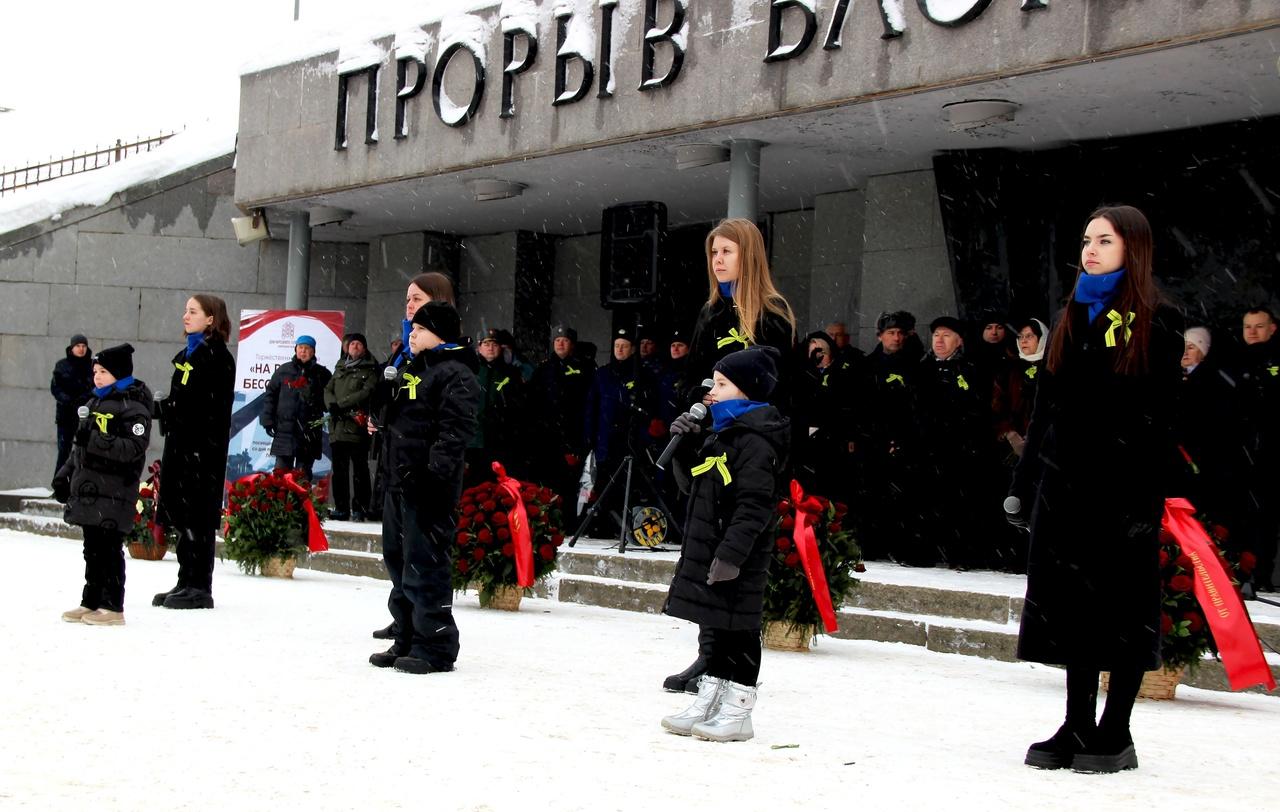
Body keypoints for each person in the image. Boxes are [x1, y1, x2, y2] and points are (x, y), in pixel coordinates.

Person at [1008, 205, 1183, 773]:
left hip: (1123, 489)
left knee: (1122, 609)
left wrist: (1148, 499)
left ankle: (1116, 730)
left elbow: (1163, 418)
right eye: (1086, 240)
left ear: (1131, 247)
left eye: (1103, 241)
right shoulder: (1072, 315)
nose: (1090, 250)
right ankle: (1077, 720)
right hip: (1066, 487)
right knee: (1070, 608)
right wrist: (1024, 479)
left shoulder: (1157, 317)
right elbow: (1046, 406)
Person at [666, 216, 797, 695]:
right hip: (713, 440)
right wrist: (694, 406)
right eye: (713, 253)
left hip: (753, 445)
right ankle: (708, 655)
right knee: (705, 549)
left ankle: (733, 672)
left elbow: (781, 386)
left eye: (726, 251)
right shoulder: (710, 313)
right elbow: (698, 374)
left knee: (736, 554)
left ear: (749, 255)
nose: (718, 260)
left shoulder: (772, 314)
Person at [660, 346, 790, 743]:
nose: (711, 391)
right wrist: (684, 444)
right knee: (716, 625)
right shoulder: (722, 431)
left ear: (747, 391)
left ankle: (738, 708)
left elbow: (754, 504)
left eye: (721, 384)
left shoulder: (755, 440)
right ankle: (711, 695)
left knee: (741, 629)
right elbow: (690, 486)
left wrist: (732, 554)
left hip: (736, 553)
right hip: (710, 544)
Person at [369, 301, 480, 674]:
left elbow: (454, 433)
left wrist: (432, 475)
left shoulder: (456, 373)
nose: (411, 334)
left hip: (428, 486)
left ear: (439, 333)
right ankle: (406, 634)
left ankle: (434, 643)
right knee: (397, 559)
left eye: (419, 328)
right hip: (399, 480)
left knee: (425, 562)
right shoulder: (411, 366)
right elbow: (393, 421)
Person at [370, 271, 456, 641]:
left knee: (419, 554)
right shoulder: (404, 351)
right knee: (394, 549)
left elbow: (443, 420)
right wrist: (379, 416)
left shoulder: (442, 360)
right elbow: (385, 396)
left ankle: (425, 627)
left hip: (420, 470)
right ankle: (403, 617)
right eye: (407, 298)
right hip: (395, 464)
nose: (409, 305)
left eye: (417, 299)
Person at [51, 343, 153, 626]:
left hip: (115, 490)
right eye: (95, 371)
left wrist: (95, 441)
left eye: (104, 371)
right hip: (90, 490)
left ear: (119, 374)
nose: (97, 376)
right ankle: (91, 600)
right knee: (92, 548)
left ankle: (113, 606)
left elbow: (132, 448)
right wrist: (64, 474)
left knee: (109, 549)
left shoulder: (134, 408)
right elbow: (78, 448)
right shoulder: (94, 402)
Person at [153, 294, 236, 611]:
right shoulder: (186, 355)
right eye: (185, 311)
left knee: (198, 517)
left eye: (193, 311)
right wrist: (167, 410)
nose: (185, 316)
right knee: (183, 515)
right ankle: (185, 579)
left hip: (202, 451)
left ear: (211, 318)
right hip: (182, 446)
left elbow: (211, 408)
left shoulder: (217, 358)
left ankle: (200, 586)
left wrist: (181, 412)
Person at [915, 316, 992, 569]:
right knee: (927, 500)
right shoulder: (922, 368)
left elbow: (978, 408)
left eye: (946, 335)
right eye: (936, 334)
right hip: (928, 448)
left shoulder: (971, 368)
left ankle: (961, 554)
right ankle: (925, 551)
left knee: (960, 504)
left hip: (960, 448)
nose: (939, 340)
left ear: (959, 341)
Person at [583, 326, 658, 536]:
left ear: (632, 349)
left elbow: (650, 405)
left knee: (630, 486)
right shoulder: (603, 374)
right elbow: (592, 408)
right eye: (617, 346)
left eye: (624, 346)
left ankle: (627, 528)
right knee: (605, 485)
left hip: (631, 441)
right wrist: (590, 437)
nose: (620, 350)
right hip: (606, 439)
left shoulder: (642, 374)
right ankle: (602, 526)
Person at [860, 311, 923, 562]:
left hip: (905, 440)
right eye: (891, 333)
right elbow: (862, 406)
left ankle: (901, 546)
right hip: (875, 440)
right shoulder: (868, 366)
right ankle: (873, 545)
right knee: (874, 496)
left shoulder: (915, 365)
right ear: (880, 336)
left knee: (903, 499)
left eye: (900, 333)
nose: (896, 338)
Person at [1235, 306, 1280, 593]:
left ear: (1272, 328)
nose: (1252, 332)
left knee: (1267, 519)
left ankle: (1263, 574)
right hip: (1242, 455)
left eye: (1259, 326)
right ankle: (1245, 574)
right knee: (1244, 518)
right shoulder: (1234, 362)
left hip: (1271, 454)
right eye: (1247, 326)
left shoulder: (1274, 362)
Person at [528, 324, 594, 513]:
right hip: (547, 438)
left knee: (570, 486)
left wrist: (576, 444)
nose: (560, 344)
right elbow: (534, 404)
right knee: (547, 484)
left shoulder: (583, 369)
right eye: (557, 340)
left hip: (572, 437)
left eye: (565, 340)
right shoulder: (543, 369)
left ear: (572, 344)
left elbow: (584, 408)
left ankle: (569, 521)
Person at [324, 333, 379, 521]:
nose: (354, 346)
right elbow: (327, 389)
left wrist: (342, 404)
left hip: (357, 427)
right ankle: (341, 507)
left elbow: (367, 391)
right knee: (339, 470)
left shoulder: (370, 369)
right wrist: (331, 404)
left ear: (364, 348)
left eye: (358, 344)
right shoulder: (340, 367)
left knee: (359, 470)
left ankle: (360, 507)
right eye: (352, 343)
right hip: (338, 427)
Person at [262, 336, 332, 479]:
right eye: (300, 348)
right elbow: (270, 395)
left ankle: (298, 502)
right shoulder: (283, 370)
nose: (303, 351)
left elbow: (327, 402)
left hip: (309, 433)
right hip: (284, 431)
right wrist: (267, 420)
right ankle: (281, 502)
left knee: (303, 476)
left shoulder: (322, 374)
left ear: (313, 352)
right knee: (280, 476)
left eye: (307, 348)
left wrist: (312, 395)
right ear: (295, 349)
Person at [467, 328, 527, 485]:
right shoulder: (470, 372)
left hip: (501, 442)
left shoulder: (511, 373)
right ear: (479, 347)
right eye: (486, 343)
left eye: (494, 343)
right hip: (474, 441)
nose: (490, 347)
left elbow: (519, 407)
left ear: (501, 347)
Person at [50, 333, 94, 477]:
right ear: (72, 348)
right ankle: (59, 484)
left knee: (87, 450)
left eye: (84, 346)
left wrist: (82, 400)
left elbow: (95, 388)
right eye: (78, 346)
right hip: (65, 415)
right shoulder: (62, 366)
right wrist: (68, 400)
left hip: (86, 416)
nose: (81, 349)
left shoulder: (93, 366)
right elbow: (56, 388)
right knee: (64, 451)